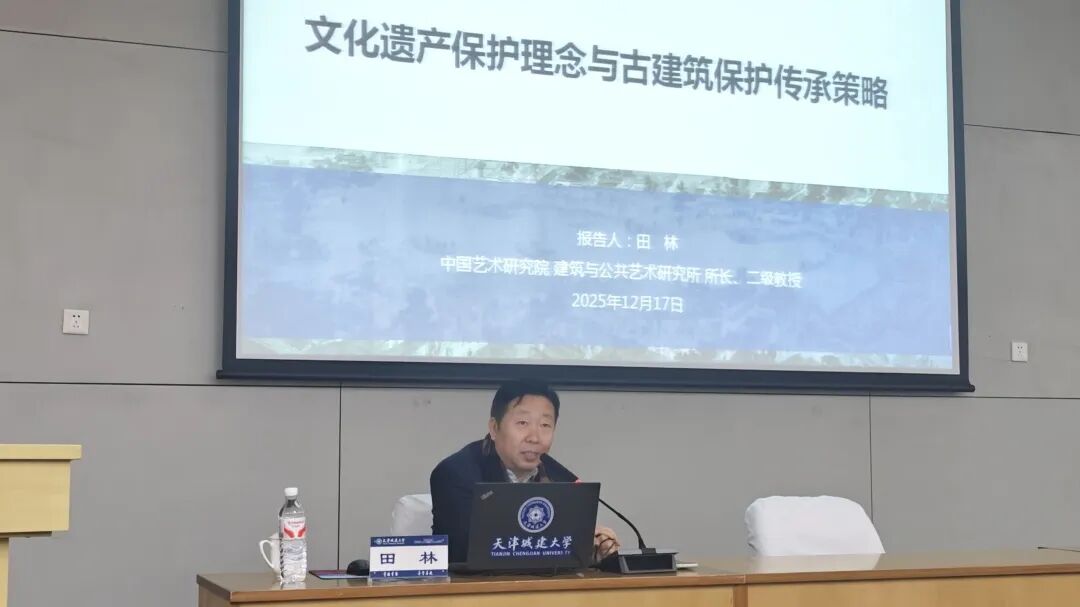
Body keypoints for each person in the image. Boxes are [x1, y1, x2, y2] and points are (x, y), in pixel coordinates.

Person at [430, 379, 619, 564]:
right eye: (522, 423)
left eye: (545, 425)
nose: (534, 437)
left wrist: (592, 547)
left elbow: (567, 550)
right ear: (494, 428)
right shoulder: (455, 474)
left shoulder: (562, 479)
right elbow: (465, 550)